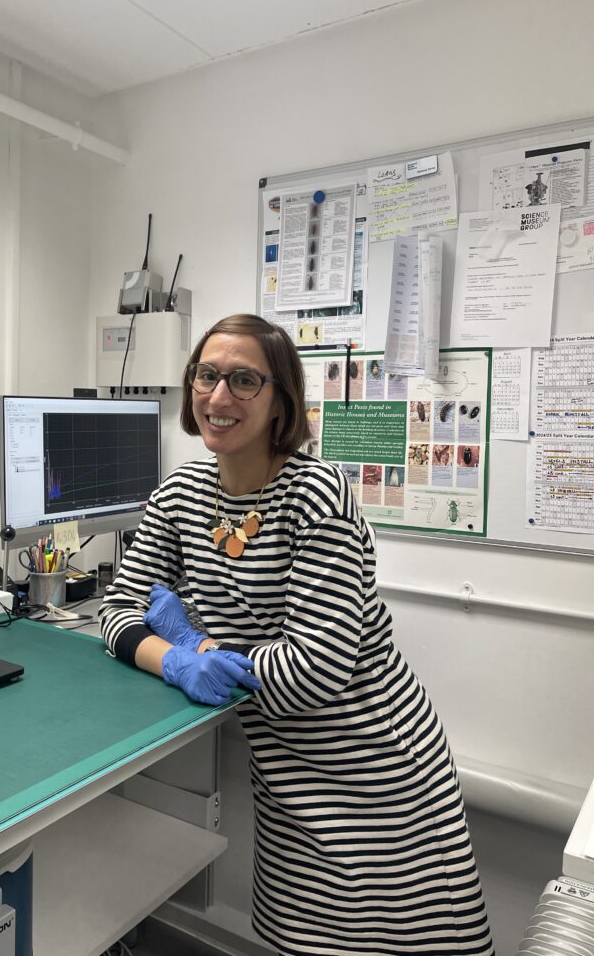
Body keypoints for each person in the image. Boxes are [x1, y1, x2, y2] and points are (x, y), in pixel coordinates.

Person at [99, 314, 493, 956]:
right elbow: (117, 614)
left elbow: (314, 669)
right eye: (207, 375)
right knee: (301, 941)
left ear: (282, 398)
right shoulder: (179, 494)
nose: (219, 397)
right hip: (285, 772)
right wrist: (173, 661)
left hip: (376, 772)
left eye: (245, 380)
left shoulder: (317, 494)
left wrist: (193, 647)